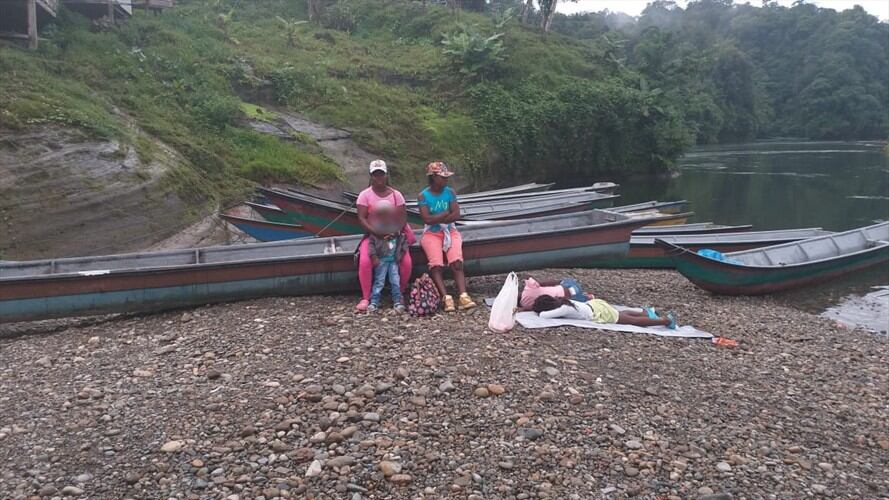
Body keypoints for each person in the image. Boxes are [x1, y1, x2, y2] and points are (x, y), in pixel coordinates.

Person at [355, 160, 414, 312]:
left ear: (386, 175)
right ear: (371, 176)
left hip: (394, 236)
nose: (378, 177)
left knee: (406, 262)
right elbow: (361, 218)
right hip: (373, 236)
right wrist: (376, 233)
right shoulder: (364, 195)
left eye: (381, 174)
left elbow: (402, 217)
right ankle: (366, 297)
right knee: (365, 262)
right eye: (375, 175)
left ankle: (399, 293)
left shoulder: (396, 195)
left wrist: (396, 231)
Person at [416, 161, 476, 312]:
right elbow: (426, 219)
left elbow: (456, 214)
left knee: (456, 261)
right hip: (431, 233)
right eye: (442, 177)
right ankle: (446, 297)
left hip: (450, 231)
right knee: (436, 265)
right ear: (433, 177)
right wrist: (444, 214)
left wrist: (438, 217)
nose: (445, 180)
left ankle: (463, 295)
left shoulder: (450, 192)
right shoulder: (423, 195)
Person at [531, 295, 678, 329]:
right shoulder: (563, 300)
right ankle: (647, 313)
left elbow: (544, 316)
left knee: (630, 321)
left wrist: (537, 312)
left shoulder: (563, 308)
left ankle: (665, 320)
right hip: (596, 304)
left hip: (597, 313)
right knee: (622, 314)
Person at [367, 200, 409, 313]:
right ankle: (374, 301)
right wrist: (373, 256)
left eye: (388, 214)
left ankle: (397, 301)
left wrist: (400, 253)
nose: (385, 217)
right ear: (378, 216)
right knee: (379, 281)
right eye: (382, 214)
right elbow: (371, 244)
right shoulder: (375, 229)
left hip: (393, 260)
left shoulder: (396, 229)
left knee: (395, 280)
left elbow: (403, 241)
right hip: (381, 260)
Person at [517, 276, 591, 311]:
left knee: (583, 300)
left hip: (572, 299)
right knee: (566, 283)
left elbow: (535, 307)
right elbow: (546, 282)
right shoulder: (528, 287)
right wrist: (559, 282)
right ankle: (586, 296)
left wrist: (523, 309)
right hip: (571, 286)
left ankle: (587, 297)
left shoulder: (526, 304)